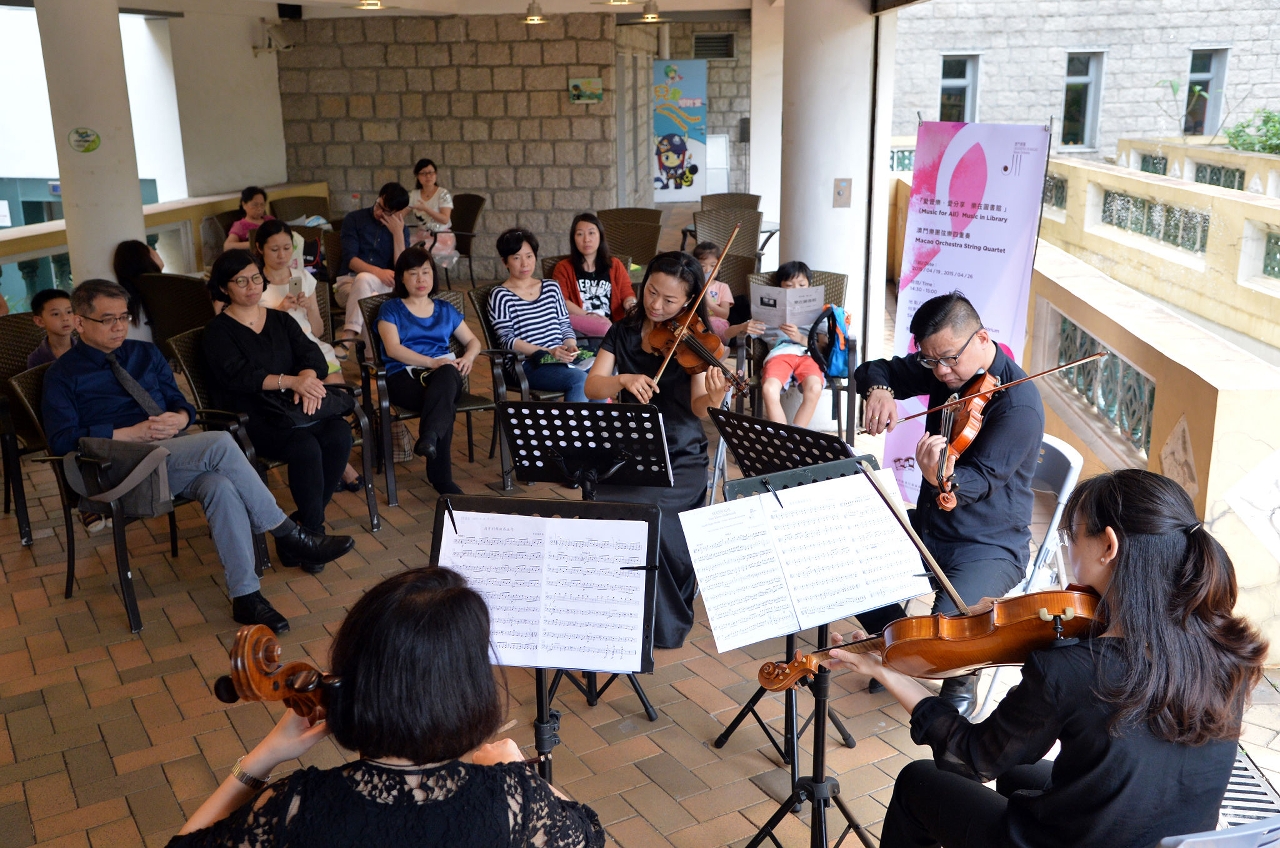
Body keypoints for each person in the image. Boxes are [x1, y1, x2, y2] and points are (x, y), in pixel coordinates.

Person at [826, 469, 1267, 848]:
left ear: (1108, 546)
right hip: (1167, 837)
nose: (1069, 547)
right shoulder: (1225, 646)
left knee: (917, 783)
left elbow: (973, 758)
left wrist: (887, 672)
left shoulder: (1074, 671)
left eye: (1071, 535)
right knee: (1023, 779)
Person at [169, 566, 606, 848]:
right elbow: (590, 835)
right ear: (466, 686)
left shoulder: (297, 805)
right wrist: (516, 771)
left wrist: (262, 758)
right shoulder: (514, 801)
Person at [43, 279, 354, 633]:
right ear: (81, 322)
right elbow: (62, 439)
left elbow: (183, 406)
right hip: (112, 468)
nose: (119, 326)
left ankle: (246, 596)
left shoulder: (145, 354)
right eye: (108, 319)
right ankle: (288, 533)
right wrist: (132, 434)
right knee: (220, 443)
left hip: (164, 460)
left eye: (124, 317)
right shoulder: (62, 375)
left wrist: (179, 417)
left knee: (219, 485)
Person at [854, 291, 1045, 714]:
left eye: (949, 359)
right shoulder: (946, 370)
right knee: (853, 559)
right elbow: (874, 368)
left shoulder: (1020, 405)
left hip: (988, 546)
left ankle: (957, 683)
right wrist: (881, 390)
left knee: (945, 636)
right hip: (929, 527)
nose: (940, 372)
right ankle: (898, 650)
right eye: (930, 361)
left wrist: (941, 475)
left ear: (981, 337)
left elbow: (982, 481)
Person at [585, 252, 728, 649]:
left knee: (656, 515)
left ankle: (663, 622)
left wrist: (714, 398)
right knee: (602, 505)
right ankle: (616, 608)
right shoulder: (622, 331)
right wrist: (623, 380)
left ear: (688, 303)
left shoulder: (694, 341)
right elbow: (592, 386)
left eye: (669, 301)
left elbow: (700, 408)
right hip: (630, 451)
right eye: (651, 292)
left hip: (680, 456)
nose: (656, 305)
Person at [202, 250, 354, 548]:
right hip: (250, 417)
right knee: (306, 448)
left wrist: (307, 381)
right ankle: (313, 534)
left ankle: (302, 533)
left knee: (339, 433)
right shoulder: (217, 332)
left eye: (256, 278)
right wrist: (292, 381)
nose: (251, 286)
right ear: (224, 288)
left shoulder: (281, 320)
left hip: (294, 407)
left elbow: (312, 356)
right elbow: (241, 377)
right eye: (241, 281)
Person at [253, 220, 363, 493]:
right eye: (275, 249)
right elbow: (255, 333)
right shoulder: (255, 285)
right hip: (281, 354)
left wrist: (308, 308)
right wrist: (279, 309)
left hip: (310, 347)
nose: (282, 255)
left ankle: (335, 463)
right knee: (317, 396)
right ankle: (343, 468)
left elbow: (317, 330)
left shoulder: (302, 278)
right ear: (260, 249)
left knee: (336, 399)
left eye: (287, 248)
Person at [376, 247, 481, 495]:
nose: (421, 279)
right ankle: (440, 474)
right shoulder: (390, 309)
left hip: (443, 376)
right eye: (413, 273)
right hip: (404, 378)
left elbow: (473, 341)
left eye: (426, 272)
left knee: (447, 374)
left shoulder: (445, 309)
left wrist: (468, 357)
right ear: (401, 277)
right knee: (444, 403)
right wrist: (431, 362)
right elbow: (393, 349)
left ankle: (429, 437)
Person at [489, 228, 598, 404]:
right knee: (579, 380)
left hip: (561, 358)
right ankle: (574, 431)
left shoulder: (551, 287)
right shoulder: (500, 295)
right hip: (528, 363)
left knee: (598, 376)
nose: (525, 263)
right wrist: (548, 351)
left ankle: (593, 430)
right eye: (516, 258)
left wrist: (570, 346)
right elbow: (507, 340)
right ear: (505, 262)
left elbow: (564, 325)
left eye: (529, 256)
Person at [335, 182, 412, 347]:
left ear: (397, 213)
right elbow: (351, 260)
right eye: (378, 205)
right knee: (369, 297)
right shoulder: (354, 219)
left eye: (386, 211)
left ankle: (348, 337)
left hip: (385, 285)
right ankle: (372, 363)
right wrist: (378, 272)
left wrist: (397, 234)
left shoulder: (402, 230)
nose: (379, 212)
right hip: (349, 282)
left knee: (369, 296)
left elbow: (400, 270)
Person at [758, 261, 826, 428]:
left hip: (808, 354)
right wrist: (741, 327)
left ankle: (794, 438)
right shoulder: (769, 310)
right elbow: (734, 333)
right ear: (780, 288)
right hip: (780, 353)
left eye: (801, 285)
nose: (796, 289)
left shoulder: (819, 310)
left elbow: (824, 346)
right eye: (789, 285)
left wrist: (800, 337)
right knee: (769, 389)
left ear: (809, 286)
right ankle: (782, 441)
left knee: (814, 388)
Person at [550, 212, 636, 340]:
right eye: (580, 234)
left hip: (612, 326)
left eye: (591, 233)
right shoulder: (563, 267)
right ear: (573, 239)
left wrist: (631, 304)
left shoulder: (615, 265)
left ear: (600, 236)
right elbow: (561, 301)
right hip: (579, 329)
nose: (586, 239)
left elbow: (627, 293)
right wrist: (590, 317)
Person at [111, 239, 162, 342]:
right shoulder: (165, 292)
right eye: (152, 250)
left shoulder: (124, 302)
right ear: (147, 260)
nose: (156, 253)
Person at [407, 158, 456, 256]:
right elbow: (401, 212)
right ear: (417, 176)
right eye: (423, 173)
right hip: (421, 236)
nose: (428, 176)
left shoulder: (443, 193)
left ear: (436, 174)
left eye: (431, 172)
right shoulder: (413, 194)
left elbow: (445, 219)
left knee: (419, 252)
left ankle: (428, 271)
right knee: (403, 247)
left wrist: (426, 209)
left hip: (441, 238)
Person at [27, 288, 77, 368]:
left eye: (69, 312)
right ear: (40, 321)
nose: (65, 318)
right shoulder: (37, 359)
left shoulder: (87, 349)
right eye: (56, 314)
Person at [223, 187, 273, 251]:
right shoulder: (240, 225)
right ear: (244, 205)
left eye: (262, 205)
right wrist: (252, 244)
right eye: (255, 205)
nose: (259, 208)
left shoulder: (270, 219)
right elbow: (227, 246)